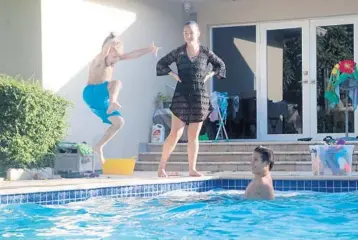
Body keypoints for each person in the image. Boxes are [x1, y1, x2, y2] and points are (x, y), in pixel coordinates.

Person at [156, 21, 226, 177]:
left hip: (199, 96)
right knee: (175, 133)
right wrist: (173, 74)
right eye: (185, 32)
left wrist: (210, 74)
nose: (188, 35)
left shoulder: (205, 52)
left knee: (193, 136)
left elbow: (220, 65)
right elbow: (161, 64)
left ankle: (192, 169)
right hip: (181, 95)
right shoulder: (179, 52)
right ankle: (161, 167)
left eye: (190, 32)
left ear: (198, 33)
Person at [83, 32, 160, 165]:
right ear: (108, 51)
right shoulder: (100, 58)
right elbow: (105, 50)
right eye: (114, 56)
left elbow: (132, 54)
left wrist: (149, 49)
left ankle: (99, 146)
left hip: (101, 97)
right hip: (92, 92)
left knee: (119, 122)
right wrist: (112, 41)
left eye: (118, 57)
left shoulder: (115, 58)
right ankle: (113, 102)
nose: (116, 60)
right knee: (117, 83)